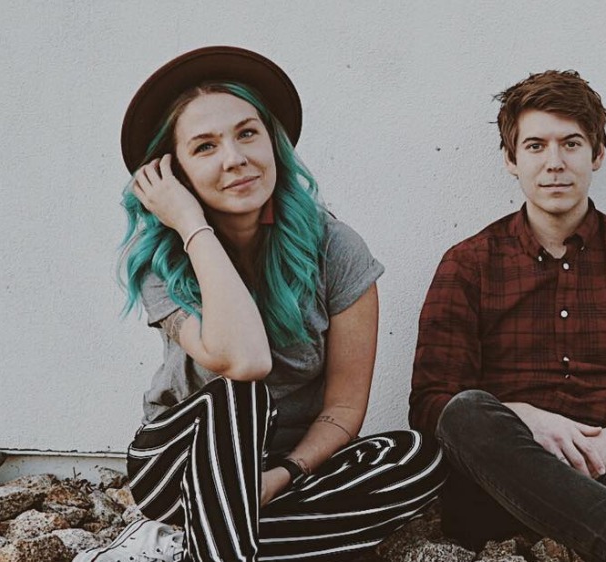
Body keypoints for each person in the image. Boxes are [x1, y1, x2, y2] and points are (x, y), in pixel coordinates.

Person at [90, 46, 445, 562]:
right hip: (180, 462)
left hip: (288, 469)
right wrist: (191, 225)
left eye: (247, 133)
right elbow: (245, 361)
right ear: (175, 172)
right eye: (205, 147)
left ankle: (187, 543)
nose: (235, 158)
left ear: (273, 142)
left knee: (415, 456)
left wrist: (282, 475)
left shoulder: (335, 248)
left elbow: (344, 408)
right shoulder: (161, 261)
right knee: (242, 395)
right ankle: (221, 531)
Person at [409, 70, 606, 562]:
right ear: (511, 159)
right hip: (498, 482)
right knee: (466, 411)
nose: (554, 162)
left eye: (571, 144)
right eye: (535, 146)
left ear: (597, 154)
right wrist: (527, 420)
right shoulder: (469, 264)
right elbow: (432, 407)